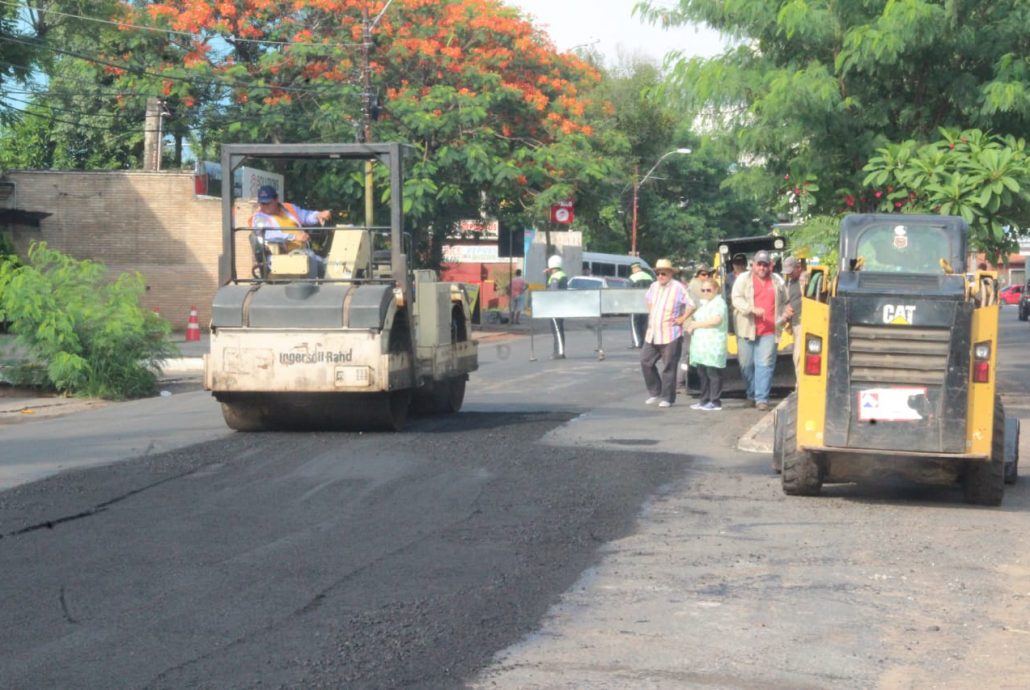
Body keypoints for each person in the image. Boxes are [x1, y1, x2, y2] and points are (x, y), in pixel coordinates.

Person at [731, 249, 788, 411]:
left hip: (770, 330)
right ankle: (751, 394)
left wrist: (785, 314)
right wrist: (751, 309)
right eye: (759, 264)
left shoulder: (777, 280)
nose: (762, 268)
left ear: (770, 265)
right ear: (753, 265)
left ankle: (761, 398)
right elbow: (736, 298)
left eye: (765, 265)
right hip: (746, 329)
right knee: (746, 365)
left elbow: (786, 300)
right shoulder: (743, 279)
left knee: (765, 365)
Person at [641, 258, 694, 408]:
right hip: (653, 333)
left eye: (663, 273)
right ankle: (655, 392)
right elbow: (648, 300)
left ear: (670, 273)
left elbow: (691, 305)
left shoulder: (678, 287)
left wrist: (682, 318)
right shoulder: (654, 286)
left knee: (669, 366)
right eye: (658, 273)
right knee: (645, 361)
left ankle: (667, 397)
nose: (660, 276)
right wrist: (652, 313)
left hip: (670, 333)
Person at [250, 185, 331, 273]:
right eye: (262, 203)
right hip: (281, 257)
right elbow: (267, 234)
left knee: (330, 265)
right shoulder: (259, 218)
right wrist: (293, 237)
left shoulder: (288, 208)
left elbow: (305, 215)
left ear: (276, 199)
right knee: (319, 265)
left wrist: (318, 215)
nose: (264, 206)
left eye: (267, 203)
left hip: (302, 252)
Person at [686, 277, 728, 411]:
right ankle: (704, 400)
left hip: (713, 344)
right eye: (703, 290)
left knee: (713, 374)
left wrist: (696, 324)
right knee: (703, 374)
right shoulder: (705, 304)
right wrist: (691, 326)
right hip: (701, 345)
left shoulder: (719, 303)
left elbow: (716, 320)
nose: (705, 292)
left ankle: (715, 401)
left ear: (716, 290)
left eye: (708, 290)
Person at [781, 256, 804, 379]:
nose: (789, 275)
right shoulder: (788, 283)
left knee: (799, 355)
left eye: (791, 271)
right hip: (794, 324)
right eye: (787, 272)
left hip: (803, 322)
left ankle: (800, 384)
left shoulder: (805, 279)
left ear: (798, 267)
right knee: (797, 356)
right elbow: (785, 301)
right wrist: (786, 308)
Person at [545, 255, 569, 359]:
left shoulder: (555, 277)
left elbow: (553, 292)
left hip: (555, 307)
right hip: (561, 305)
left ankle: (559, 353)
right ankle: (558, 351)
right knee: (559, 329)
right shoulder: (562, 274)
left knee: (557, 330)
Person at [628, 261, 654, 348]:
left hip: (635, 304)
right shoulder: (649, 277)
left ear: (634, 268)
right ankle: (646, 342)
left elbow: (629, 292)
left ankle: (638, 343)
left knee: (635, 324)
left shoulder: (632, 277)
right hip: (647, 304)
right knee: (645, 323)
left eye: (632, 269)